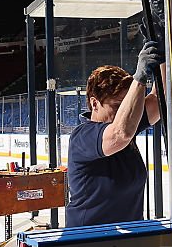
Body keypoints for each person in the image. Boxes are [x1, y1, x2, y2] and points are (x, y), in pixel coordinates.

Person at [66, 41, 162, 228]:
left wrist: (163, 49)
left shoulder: (127, 125)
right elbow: (120, 134)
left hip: (126, 241)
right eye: (118, 105)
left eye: (128, 105)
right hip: (86, 243)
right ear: (94, 104)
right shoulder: (82, 137)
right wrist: (140, 78)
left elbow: (160, 100)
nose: (125, 112)